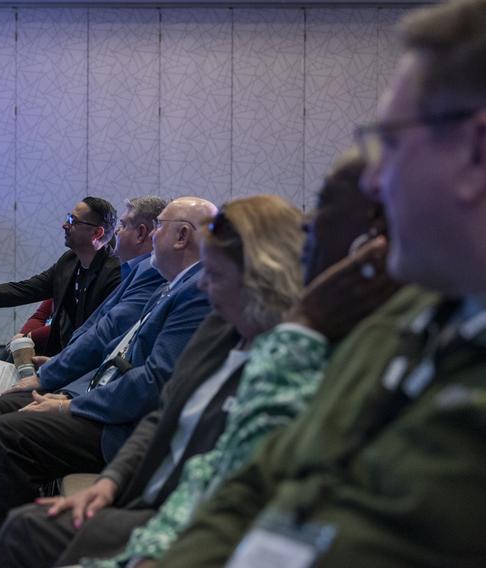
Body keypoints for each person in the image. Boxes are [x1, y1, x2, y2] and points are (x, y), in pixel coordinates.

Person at [153, 1, 486, 565]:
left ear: (474, 153)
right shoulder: (405, 313)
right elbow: (257, 478)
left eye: (390, 143)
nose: (376, 181)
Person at [0, 194, 312, 568]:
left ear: (260, 275)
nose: (204, 286)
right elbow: (165, 408)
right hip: (152, 481)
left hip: (180, 512)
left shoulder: (282, 361)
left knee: (24, 511)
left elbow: (232, 483)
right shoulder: (218, 330)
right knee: (25, 526)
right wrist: (112, 481)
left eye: (216, 273)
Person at [0, 197, 216, 568]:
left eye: (159, 226)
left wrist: (67, 399)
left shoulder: (188, 289)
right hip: (102, 391)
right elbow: (104, 335)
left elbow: (152, 379)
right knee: (0, 414)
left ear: (181, 236)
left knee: (9, 431)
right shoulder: (166, 282)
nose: (150, 235)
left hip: (121, 421)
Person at [0, 197, 122, 356]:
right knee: (7, 358)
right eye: (68, 218)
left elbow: (98, 336)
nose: (64, 225)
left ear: (97, 232)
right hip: (62, 355)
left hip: (86, 364)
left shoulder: (114, 274)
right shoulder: (69, 261)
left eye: (73, 221)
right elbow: (24, 290)